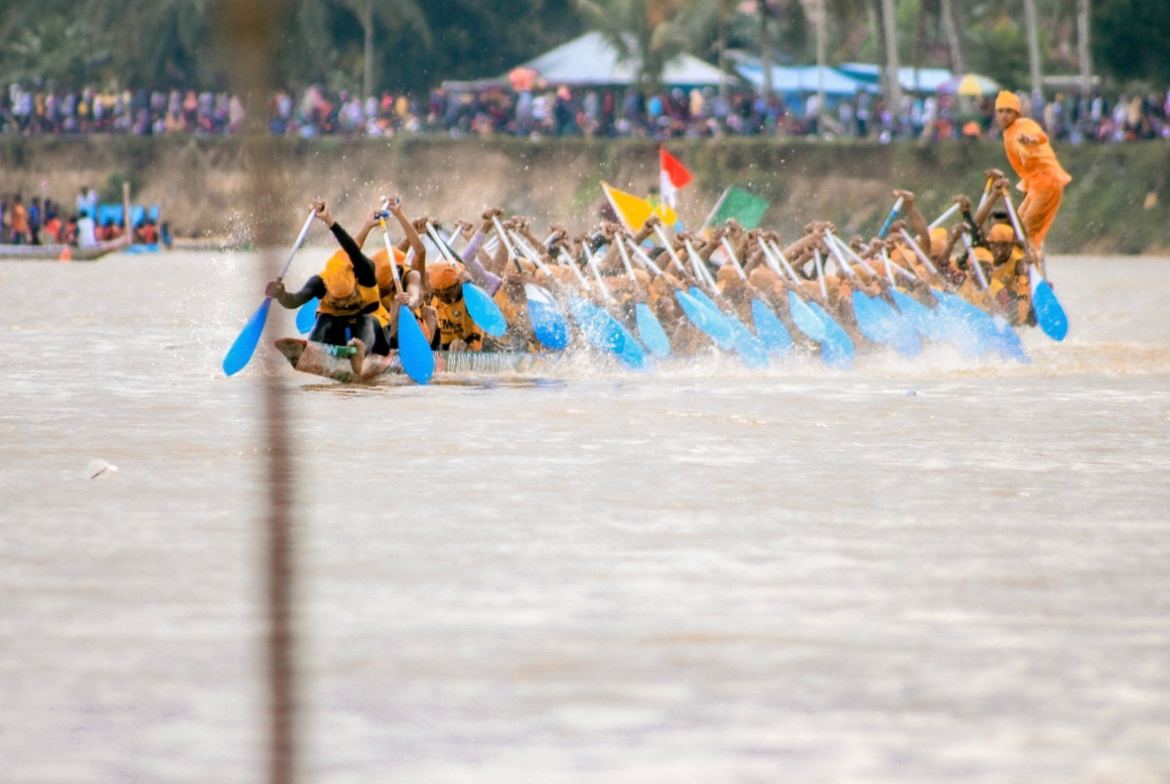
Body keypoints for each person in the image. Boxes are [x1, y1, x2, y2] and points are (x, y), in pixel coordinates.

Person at [265, 200, 387, 375]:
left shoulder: (365, 271)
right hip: (335, 330)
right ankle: (314, 352)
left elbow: (352, 248)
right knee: (324, 318)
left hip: (371, 333)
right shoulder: (320, 282)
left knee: (366, 320)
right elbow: (295, 301)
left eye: (348, 297)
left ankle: (360, 354)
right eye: (339, 298)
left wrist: (329, 220)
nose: (344, 303)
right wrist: (281, 294)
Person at [995, 90, 1072, 253]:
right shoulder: (1007, 133)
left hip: (1048, 183)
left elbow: (1040, 136)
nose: (1004, 115)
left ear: (1017, 113)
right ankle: (1021, 271)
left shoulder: (1023, 125)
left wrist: (1030, 141)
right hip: (1035, 186)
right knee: (1015, 231)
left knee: (1025, 233)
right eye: (1001, 111)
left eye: (1009, 111)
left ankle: (1031, 273)